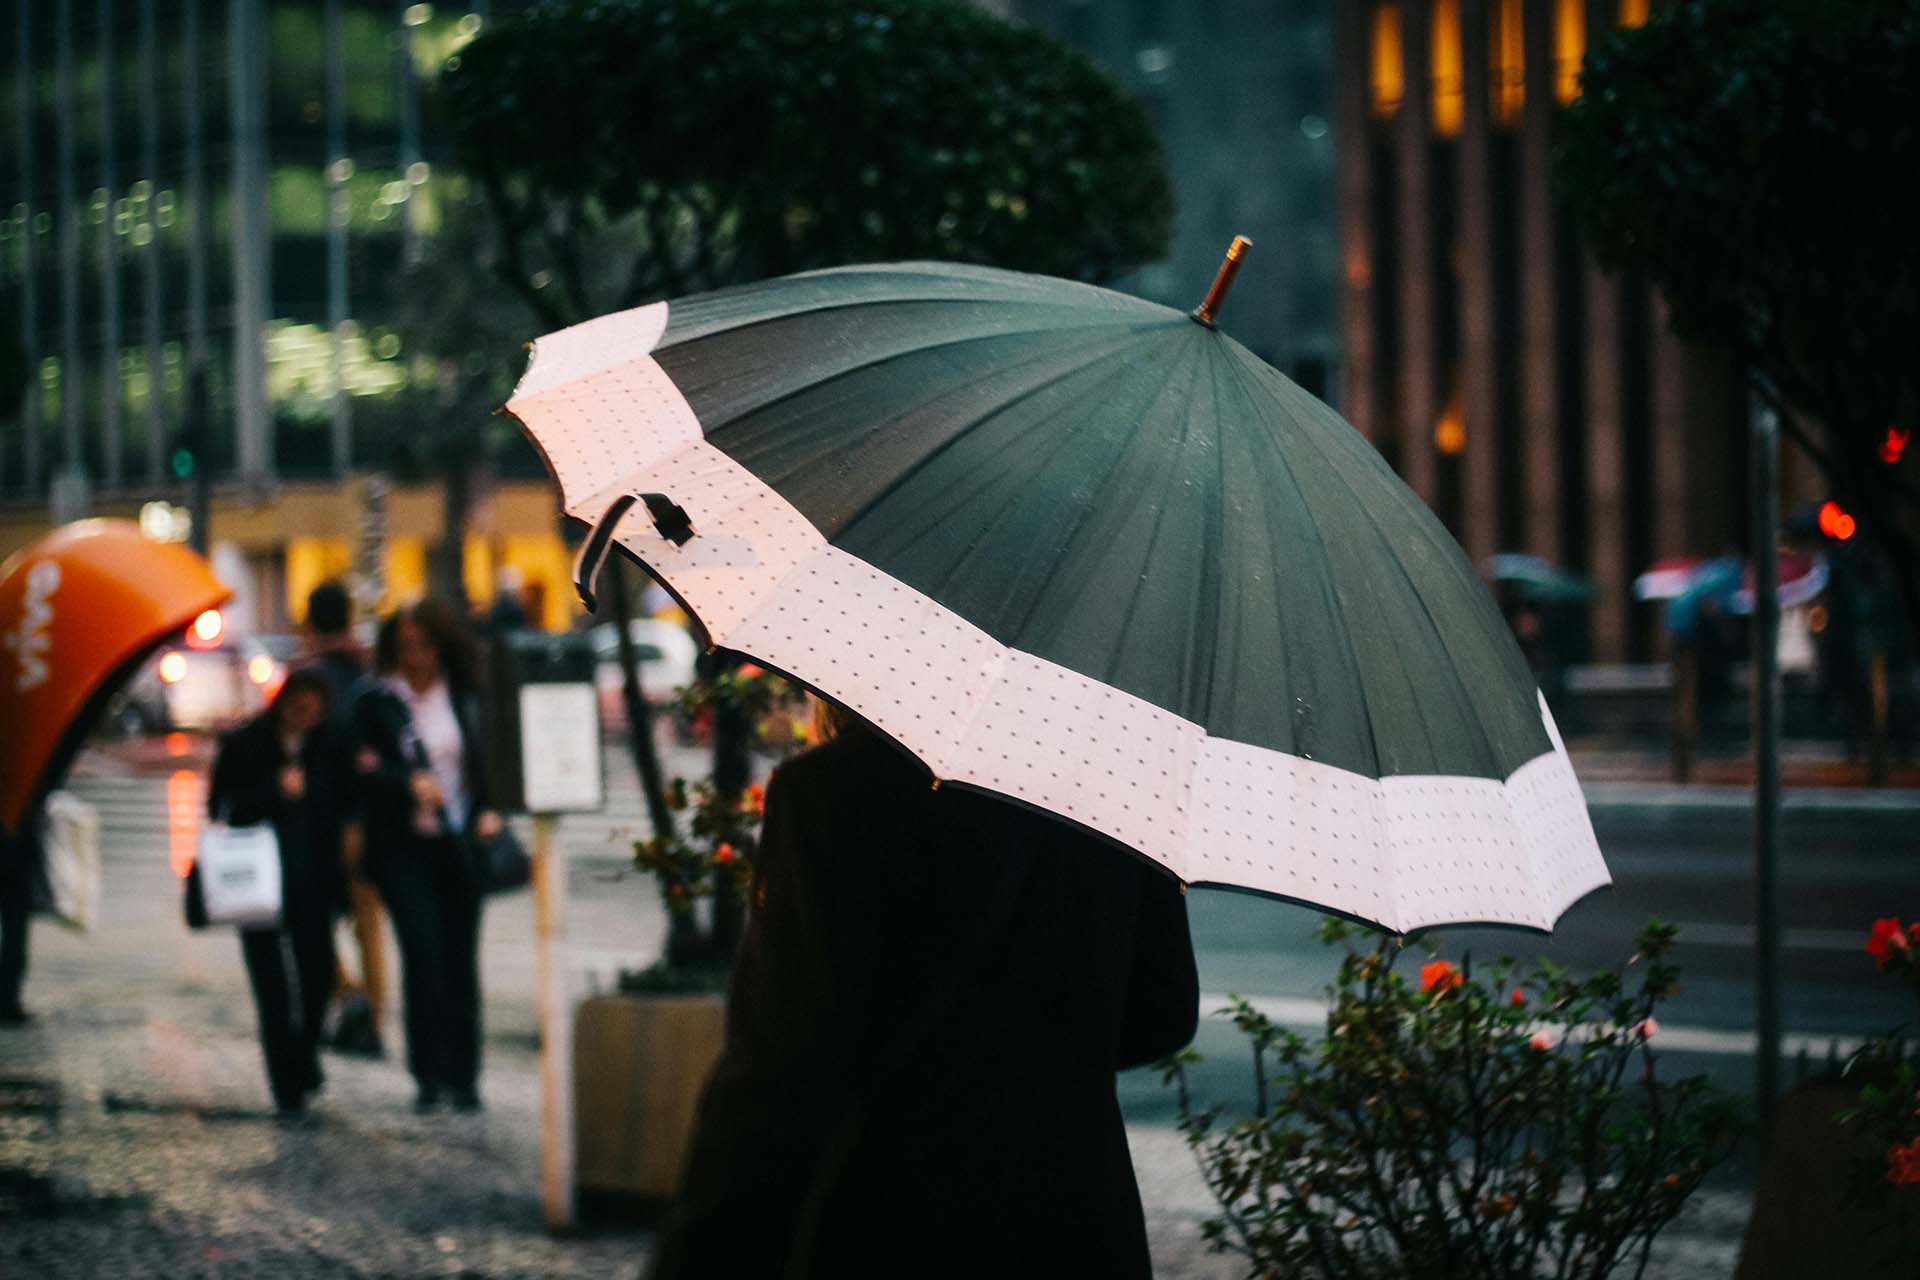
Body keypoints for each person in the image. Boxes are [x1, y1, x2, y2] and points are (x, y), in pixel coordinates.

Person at [650, 705, 1199, 1280]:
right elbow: (1162, 1014)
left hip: (887, 1223)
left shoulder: (831, 789)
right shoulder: (1115, 799)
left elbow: (781, 1068)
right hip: (1071, 1222)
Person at [354, 601, 499, 1113]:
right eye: (406, 647)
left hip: (459, 843)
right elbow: (361, 771)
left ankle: (464, 1075)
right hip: (403, 849)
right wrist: (402, 783)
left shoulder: (462, 697)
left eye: (424, 646)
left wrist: (490, 809)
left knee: (460, 957)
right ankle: (428, 1075)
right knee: (422, 951)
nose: (416, 657)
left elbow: (487, 762)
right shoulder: (379, 701)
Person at [207, 668, 349, 1120]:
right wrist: (275, 793)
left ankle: (304, 1056)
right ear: (283, 703)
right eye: (298, 708)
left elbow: (342, 805)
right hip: (258, 883)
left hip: (313, 882)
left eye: (314, 711)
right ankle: (286, 1087)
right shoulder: (246, 742)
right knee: (272, 991)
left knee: (317, 978)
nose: (305, 718)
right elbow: (221, 806)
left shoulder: (329, 744)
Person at [304, 579, 386, 1058]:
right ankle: (372, 1020)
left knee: (310, 917)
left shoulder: (309, 679)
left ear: (311, 622)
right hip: (369, 816)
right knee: (368, 923)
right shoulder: (368, 671)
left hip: (326, 819)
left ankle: (349, 996)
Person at [0, 802, 44, 1026]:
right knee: (15, 929)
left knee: (16, 930)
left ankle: (8, 999)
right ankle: (8, 1000)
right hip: (17, 850)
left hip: (17, 851)